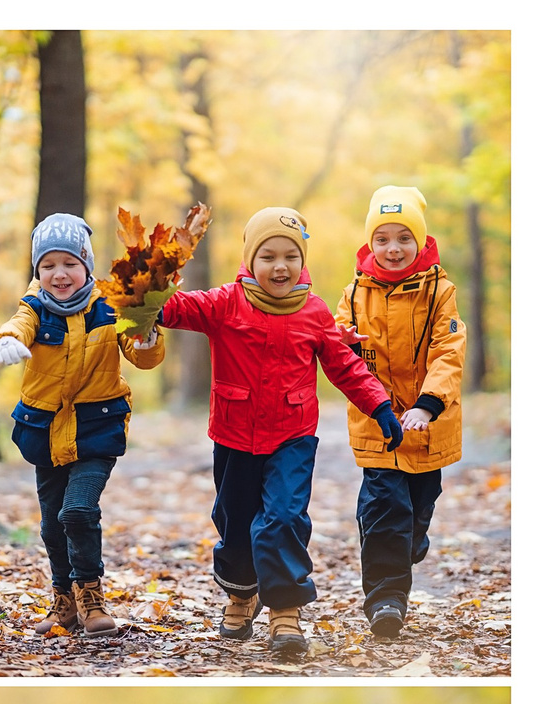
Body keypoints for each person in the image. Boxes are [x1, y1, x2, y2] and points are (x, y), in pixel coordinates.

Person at [154, 207, 397, 658]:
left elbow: (344, 364)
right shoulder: (226, 302)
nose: (280, 266)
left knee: (283, 516)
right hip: (233, 432)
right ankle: (242, 593)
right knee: (235, 519)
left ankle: (285, 609)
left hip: (292, 434)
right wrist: (147, 289)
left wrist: (378, 404)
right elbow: (173, 309)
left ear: (302, 261)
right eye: (268, 256)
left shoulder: (315, 311)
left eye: (290, 256)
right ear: (251, 259)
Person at [0, 213, 166, 639]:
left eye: (68, 263)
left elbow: (140, 352)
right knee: (52, 523)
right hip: (45, 430)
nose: (59, 274)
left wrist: (145, 337)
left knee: (78, 511)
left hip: (95, 427)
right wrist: (8, 341)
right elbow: (18, 325)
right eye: (47, 265)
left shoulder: (110, 303)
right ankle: (64, 600)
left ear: (86, 263)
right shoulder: (33, 306)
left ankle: (92, 595)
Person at [332, 185, 465, 641]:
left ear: (419, 241)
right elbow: (337, 347)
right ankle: (386, 600)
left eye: (403, 238)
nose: (392, 248)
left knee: (418, 503)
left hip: (429, 423)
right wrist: (341, 344)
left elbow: (449, 351)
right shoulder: (353, 294)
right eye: (382, 238)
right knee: (384, 504)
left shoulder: (439, 291)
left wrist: (429, 405)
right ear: (370, 242)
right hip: (379, 422)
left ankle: (410, 537)